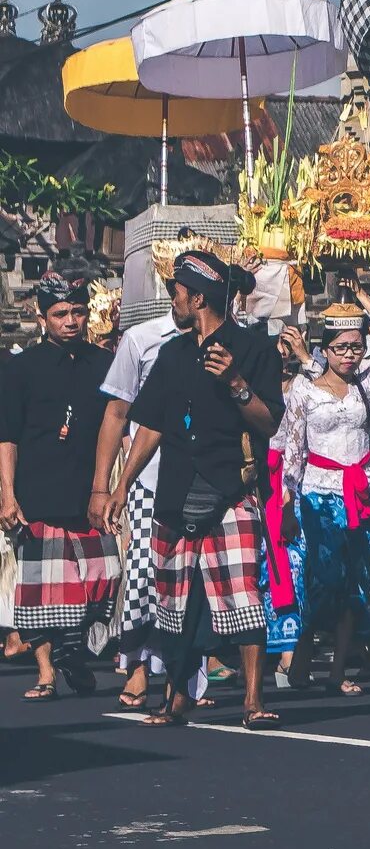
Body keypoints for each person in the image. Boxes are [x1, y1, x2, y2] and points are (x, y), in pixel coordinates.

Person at [108, 252, 283, 728]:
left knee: (242, 596)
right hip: (175, 491)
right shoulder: (173, 353)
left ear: (198, 297)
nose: (173, 301)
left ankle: (253, 701)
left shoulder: (253, 349)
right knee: (174, 600)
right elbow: (152, 427)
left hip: (232, 488)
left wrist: (236, 383)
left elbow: (268, 423)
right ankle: (176, 698)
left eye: (177, 293)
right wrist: (121, 485)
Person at [267, 297, 370, 696]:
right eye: (340, 348)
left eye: (356, 347)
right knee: (323, 579)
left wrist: (361, 296)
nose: (349, 355)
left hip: (363, 489)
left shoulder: (366, 383)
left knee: (357, 582)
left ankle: (339, 669)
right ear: (324, 350)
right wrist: (288, 503)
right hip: (319, 494)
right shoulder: (305, 391)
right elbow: (293, 450)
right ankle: (304, 653)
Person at [1, 277, 120, 699]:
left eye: (78, 312)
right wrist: (7, 494)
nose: (71, 321)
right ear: (41, 318)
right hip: (38, 490)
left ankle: (75, 651)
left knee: (104, 578)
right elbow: (7, 436)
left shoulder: (105, 363)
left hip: (91, 490)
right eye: (60, 314)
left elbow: (120, 424)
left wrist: (112, 487)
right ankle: (47, 673)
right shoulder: (20, 368)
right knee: (41, 587)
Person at [88, 270, 188, 710]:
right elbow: (116, 412)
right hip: (146, 477)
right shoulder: (143, 340)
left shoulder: (229, 341)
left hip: (203, 478)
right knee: (144, 574)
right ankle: (138, 666)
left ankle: (185, 676)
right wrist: (101, 487)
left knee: (189, 580)